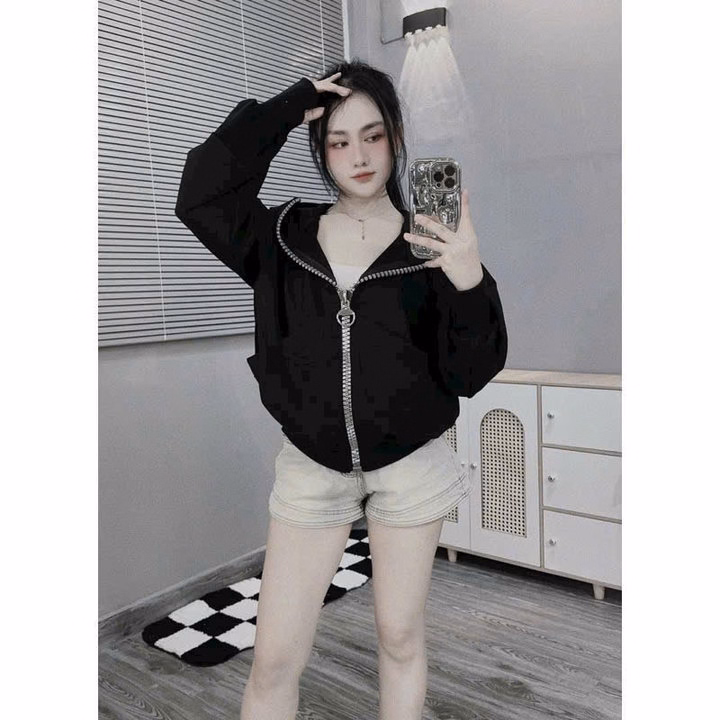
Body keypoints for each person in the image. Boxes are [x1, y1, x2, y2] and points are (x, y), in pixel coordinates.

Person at [175, 59, 507, 720]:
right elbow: (201, 195)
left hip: (411, 467)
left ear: (396, 137)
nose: (358, 155)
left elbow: (472, 372)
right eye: (338, 140)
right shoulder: (282, 236)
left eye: (373, 135)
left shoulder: (430, 243)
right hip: (312, 468)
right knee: (273, 659)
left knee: (400, 638)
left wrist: (469, 278)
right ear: (320, 148)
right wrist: (284, 108)